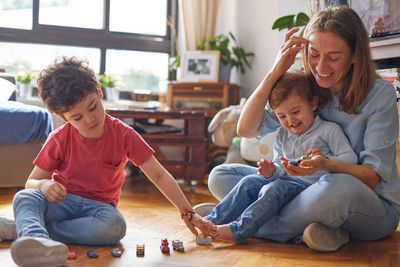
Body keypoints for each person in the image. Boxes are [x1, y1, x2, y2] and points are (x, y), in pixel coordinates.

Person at [202, 5, 400, 252]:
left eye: (334, 56)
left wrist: (327, 164)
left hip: (370, 205)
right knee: (221, 175)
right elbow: (245, 129)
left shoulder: (380, 95)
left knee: (337, 187)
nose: (321, 66)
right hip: (299, 191)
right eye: (314, 54)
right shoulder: (308, 89)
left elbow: (372, 177)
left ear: (354, 55)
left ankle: (241, 222)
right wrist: (276, 70)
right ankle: (317, 230)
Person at [2, 56, 210, 267]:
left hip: (99, 211)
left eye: (93, 107)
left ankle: (31, 232)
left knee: (115, 227)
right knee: (25, 197)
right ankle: (36, 239)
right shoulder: (59, 138)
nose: (90, 120)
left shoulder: (124, 135)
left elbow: (158, 174)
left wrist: (187, 212)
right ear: (63, 117)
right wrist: (44, 185)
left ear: (99, 92)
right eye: (77, 117)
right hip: (60, 203)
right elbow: (32, 182)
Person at [202, 71, 357, 244]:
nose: (290, 120)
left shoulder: (329, 130)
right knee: (248, 183)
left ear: (313, 103)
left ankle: (238, 230)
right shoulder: (283, 134)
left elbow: (350, 159)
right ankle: (211, 222)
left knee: (271, 190)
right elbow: (279, 167)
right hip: (283, 182)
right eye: (282, 116)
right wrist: (271, 171)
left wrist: (325, 163)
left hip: (309, 189)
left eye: (296, 112)